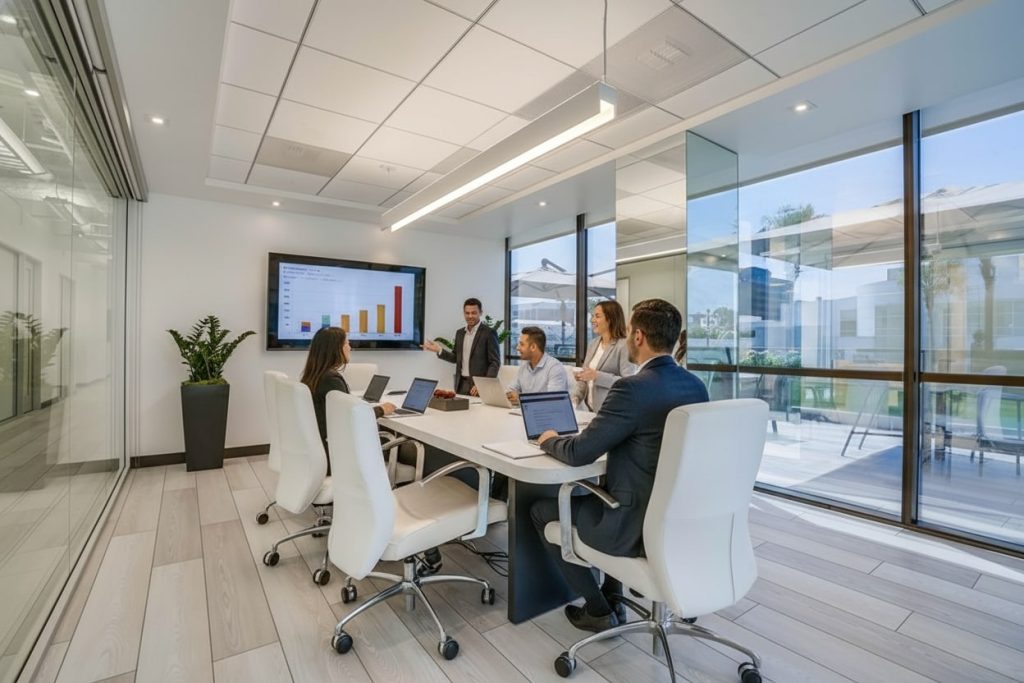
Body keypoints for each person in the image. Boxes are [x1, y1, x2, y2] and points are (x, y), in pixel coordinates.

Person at [529, 299, 709, 633]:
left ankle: (597, 609)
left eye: (629, 334)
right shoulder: (696, 386)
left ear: (638, 337)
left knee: (541, 511)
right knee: (604, 492)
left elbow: (580, 453)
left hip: (630, 523)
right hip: (677, 519)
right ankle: (614, 597)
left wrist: (548, 440)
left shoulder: (632, 389)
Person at [300, 326, 442, 572]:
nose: (350, 347)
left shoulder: (314, 377)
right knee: (419, 450)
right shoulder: (331, 380)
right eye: (346, 343)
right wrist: (380, 409)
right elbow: (351, 418)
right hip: (342, 456)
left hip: (328, 452)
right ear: (335, 349)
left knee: (402, 444)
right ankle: (415, 523)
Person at [422, 297, 500, 396]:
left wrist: (484, 384)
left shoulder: (489, 333)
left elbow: (495, 362)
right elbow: (455, 358)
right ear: (464, 313)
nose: (470, 316)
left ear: (480, 313)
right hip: (461, 385)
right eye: (467, 313)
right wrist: (439, 350)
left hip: (478, 386)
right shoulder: (460, 333)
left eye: (474, 313)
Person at [572, 300, 634, 412]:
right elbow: (585, 377)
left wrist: (597, 376)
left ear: (610, 319)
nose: (592, 320)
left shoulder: (624, 345)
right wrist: (575, 399)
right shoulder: (593, 344)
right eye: (593, 316)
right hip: (591, 410)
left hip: (613, 411)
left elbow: (628, 383)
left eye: (597, 316)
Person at [506, 326, 568, 403]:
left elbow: (553, 401)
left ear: (533, 347)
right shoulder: (524, 366)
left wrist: (521, 398)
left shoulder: (555, 368)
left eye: (522, 344)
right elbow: (511, 389)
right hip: (525, 409)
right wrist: (509, 395)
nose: (517, 348)